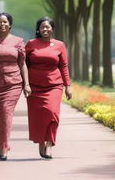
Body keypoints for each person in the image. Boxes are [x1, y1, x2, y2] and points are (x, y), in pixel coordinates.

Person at [25, 16, 72, 159]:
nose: (45, 29)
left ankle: (50, 144)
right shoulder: (31, 44)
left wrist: (68, 86)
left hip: (54, 85)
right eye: (42, 27)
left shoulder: (60, 45)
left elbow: (63, 66)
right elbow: (24, 65)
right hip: (34, 87)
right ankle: (40, 142)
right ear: (38, 30)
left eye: (48, 27)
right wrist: (25, 84)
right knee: (38, 117)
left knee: (52, 114)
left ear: (52, 29)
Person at [0, 12, 31, 161]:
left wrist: (27, 84)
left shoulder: (18, 41)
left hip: (13, 83)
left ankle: (5, 147)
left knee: (6, 113)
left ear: (10, 24)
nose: (2, 24)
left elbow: (22, 63)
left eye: (5, 22)